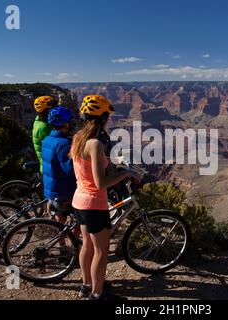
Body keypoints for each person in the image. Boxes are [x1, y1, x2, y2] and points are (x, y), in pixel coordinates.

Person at [70, 95, 137, 300]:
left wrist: (112, 163)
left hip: (79, 201)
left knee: (87, 246)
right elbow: (101, 183)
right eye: (107, 116)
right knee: (101, 251)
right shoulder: (95, 144)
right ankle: (97, 295)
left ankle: (86, 285)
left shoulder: (79, 138)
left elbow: (89, 168)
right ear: (103, 118)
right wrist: (126, 173)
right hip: (94, 203)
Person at [41, 106, 76, 227]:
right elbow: (70, 170)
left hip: (51, 189)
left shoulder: (47, 139)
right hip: (64, 191)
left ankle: (61, 244)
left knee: (59, 219)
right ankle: (74, 244)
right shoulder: (63, 144)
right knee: (81, 220)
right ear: (65, 123)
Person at [33, 96, 57, 173]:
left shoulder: (40, 122)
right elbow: (55, 147)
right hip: (50, 169)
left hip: (48, 166)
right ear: (46, 111)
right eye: (53, 108)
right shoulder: (43, 127)